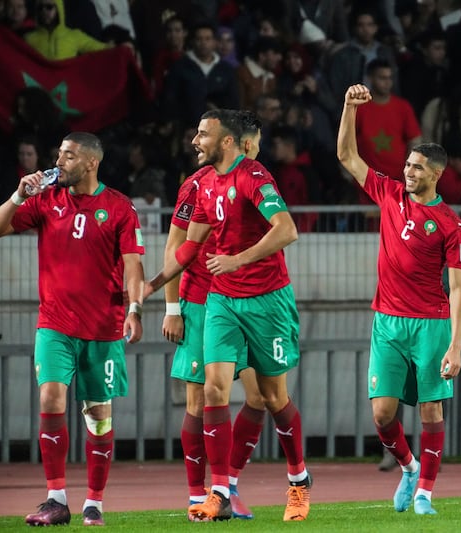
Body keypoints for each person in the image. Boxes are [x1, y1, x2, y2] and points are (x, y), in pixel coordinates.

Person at [144, 109, 311, 522]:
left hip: (267, 299)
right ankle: (218, 490)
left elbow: (287, 229)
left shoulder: (253, 177)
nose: (194, 140)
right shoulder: (203, 185)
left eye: (203, 134)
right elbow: (187, 247)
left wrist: (239, 259)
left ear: (228, 142)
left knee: (272, 397)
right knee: (213, 391)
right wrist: (151, 287)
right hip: (219, 300)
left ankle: (299, 482)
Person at [0, 132, 145, 526]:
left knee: (98, 415)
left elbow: (134, 267)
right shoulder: (45, 200)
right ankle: (56, 499)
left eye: (69, 156)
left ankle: (94, 503)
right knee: (51, 398)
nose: (60, 161)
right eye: (60, 154)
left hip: (103, 329)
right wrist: (18, 196)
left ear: (91, 162)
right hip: (54, 324)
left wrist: (135, 308)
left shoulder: (119, 207)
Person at [337, 84, 461, 515]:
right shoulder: (390, 195)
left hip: (431, 325)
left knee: (431, 411)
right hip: (388, 322)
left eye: (417, 168)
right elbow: (348, 158)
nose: (408, 172)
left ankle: (426, 494)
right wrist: (349, 109)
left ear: (436, 174)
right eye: (407, 165)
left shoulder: (451, 224)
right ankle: (409, 467)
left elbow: (458, 289)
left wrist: (456, 345)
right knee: (382, 414)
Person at [161, 114, 272, 521]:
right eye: (253, 145)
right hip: (202, 299)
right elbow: (176, 245)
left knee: (259, 397)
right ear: (238, 143)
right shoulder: (196, 184)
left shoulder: (254, 179)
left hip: (246, 301)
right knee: (199, 398)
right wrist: (172, 307)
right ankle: (196, 493)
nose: (256, 152)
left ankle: (229, 485)